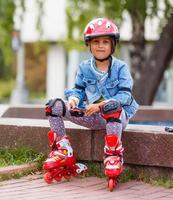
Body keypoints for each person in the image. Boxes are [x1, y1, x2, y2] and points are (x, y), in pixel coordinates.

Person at [43, 18, 139, 190]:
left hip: (116, 118)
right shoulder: (84, 67)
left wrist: (101, 106)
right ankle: (63, 151)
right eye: (96, 42)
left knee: (112, 106)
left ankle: (113, 156)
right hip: (91, 116)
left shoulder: (121, 68)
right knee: (53, 105)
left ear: (112, 45)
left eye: (105, 42)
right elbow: (78, 90)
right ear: (89, 44)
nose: (100, 46)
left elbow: (125, 96)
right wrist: (74, 99)